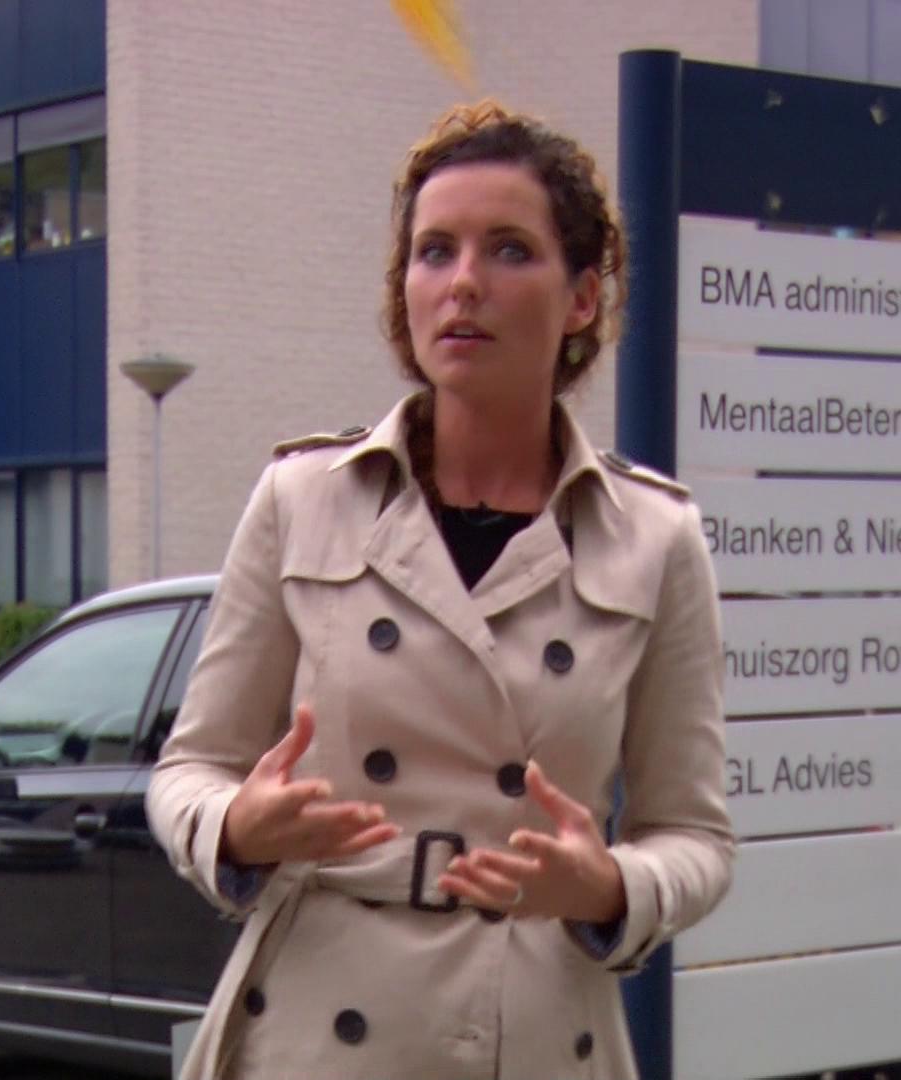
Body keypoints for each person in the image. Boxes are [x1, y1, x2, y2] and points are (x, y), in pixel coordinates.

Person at [147, 100, 735, 1079]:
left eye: (509, 251)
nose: (463, 283)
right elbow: (190, 769)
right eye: (434, 252)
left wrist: (609, 888)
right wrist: (237, 829)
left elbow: (696, 836)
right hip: (315, 1031)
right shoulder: (304, 498)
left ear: (582, 298)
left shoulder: (654, 536)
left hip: (532, 1033)